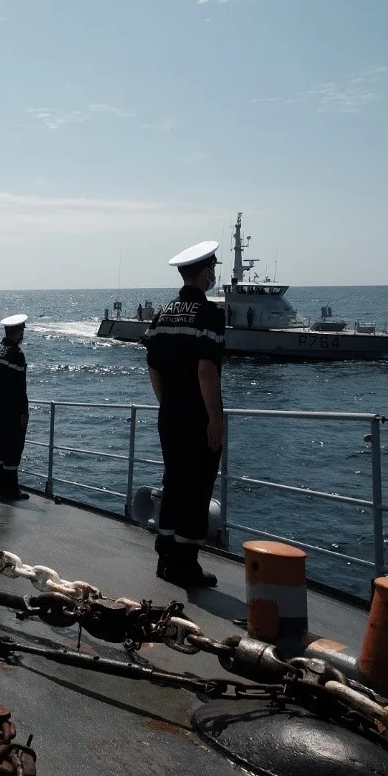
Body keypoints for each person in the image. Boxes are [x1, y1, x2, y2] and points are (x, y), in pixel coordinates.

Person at [144, 241, 225, 587]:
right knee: (197, 487)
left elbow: (154, 369)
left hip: (170, 413)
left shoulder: (162, 314)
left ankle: (165, 557)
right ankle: (186, 564)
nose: (213, 274)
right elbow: (206, 371)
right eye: (212, 268)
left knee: (173, 482)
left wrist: (167, 403)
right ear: (205, 271)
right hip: (197, 416)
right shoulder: (209, 315)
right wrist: (215, 418)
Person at [0, 314, 30, 502]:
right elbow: (20, 388)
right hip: (12, 410)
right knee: (13, 447)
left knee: (2, 446)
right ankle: (10, 489)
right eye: (22, 330)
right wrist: (24, 412)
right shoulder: (15, 354)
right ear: (18, 331)